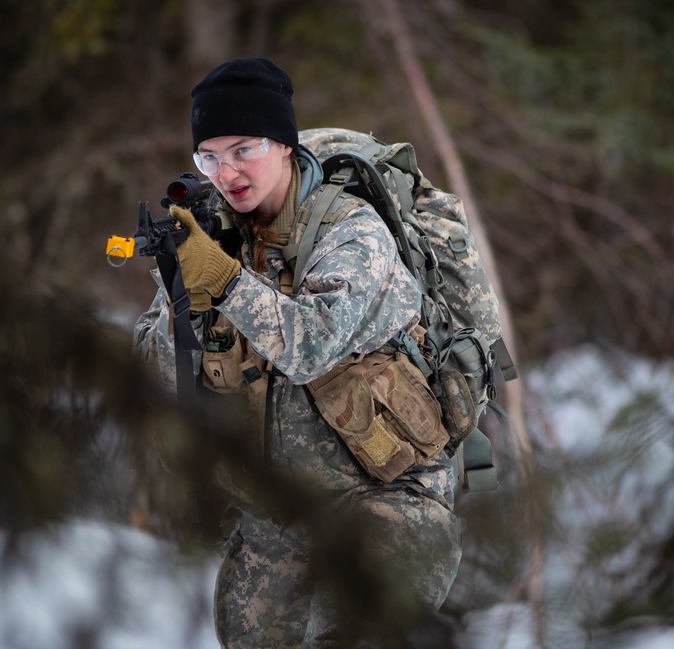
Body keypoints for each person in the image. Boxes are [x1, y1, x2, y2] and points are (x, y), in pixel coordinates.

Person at [132, 57, 462, 648]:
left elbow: (310, 343)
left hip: (389, 500)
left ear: (283, 143)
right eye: (209, 156)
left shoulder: (350, 231)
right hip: (278, 518)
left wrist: (227, 283)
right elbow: (154, 377)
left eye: (243, 149)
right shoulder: (216, 235)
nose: (225, 171)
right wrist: (181, 294)